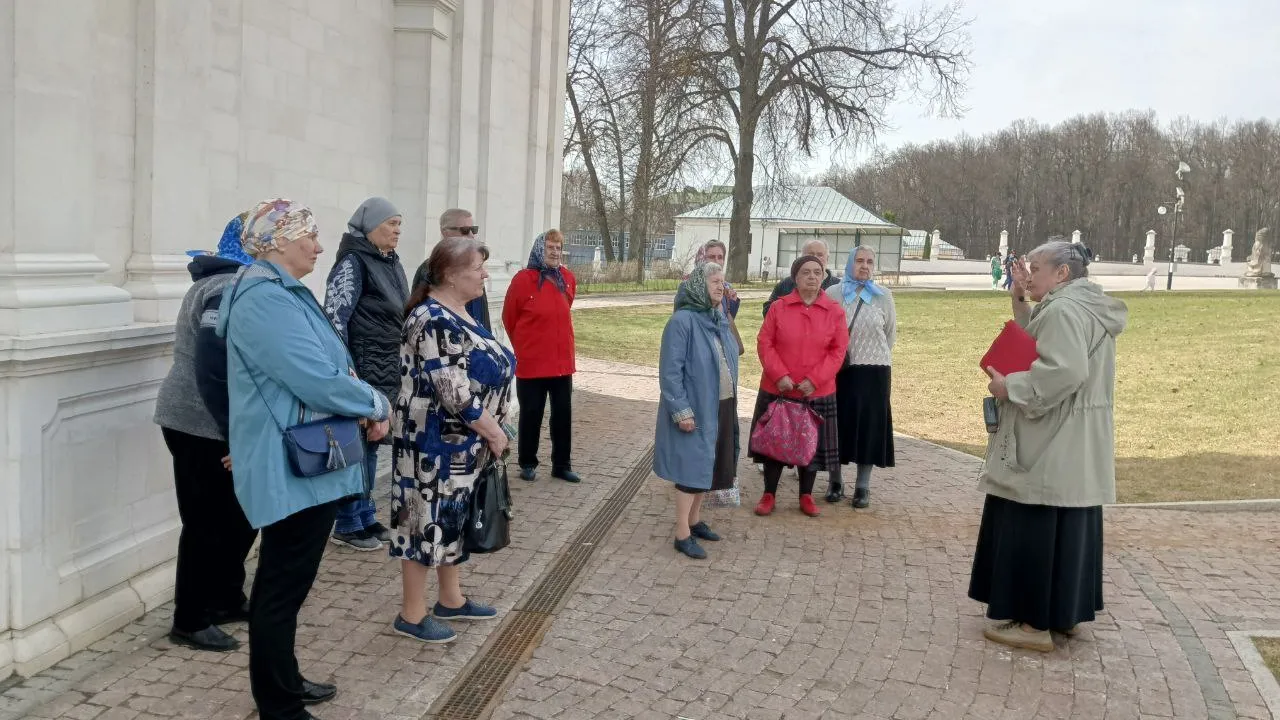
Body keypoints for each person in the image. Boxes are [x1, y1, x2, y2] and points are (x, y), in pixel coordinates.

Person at [218, 198, 391, 720]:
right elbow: (313, 378)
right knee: (279, 587)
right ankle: (278, 705)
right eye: (308, 237)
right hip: (288, 464)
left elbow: (330, 363)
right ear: (276, 242)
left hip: (306, 460)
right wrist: (374, 403)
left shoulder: (284, 293)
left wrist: (355, 392)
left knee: (288, 587)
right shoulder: (264, 299)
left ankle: (285, 680)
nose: (319, 247)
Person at [970, 241, 1127, 653]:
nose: (1028, 273)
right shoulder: (1082, 305)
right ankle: (1062, 613)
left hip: (1051, 437)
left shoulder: (1063, 309)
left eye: (1036, 268)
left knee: (1034, 523)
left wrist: (1011, 386)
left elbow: (1065, 369)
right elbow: (1045, 338)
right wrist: (1021, 299)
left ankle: (1033, 623)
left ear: (1062, 274)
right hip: (1075, 438)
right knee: (1069, 525)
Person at [390, 236, 511, 642]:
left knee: (451, 519)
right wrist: (495, 432)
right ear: (449, 273)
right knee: (422, 522)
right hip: (433, 444)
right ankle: (411, 613)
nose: (484, 275)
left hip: (463, 444)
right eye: (478, 268)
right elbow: (454, 391)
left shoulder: (462, 311)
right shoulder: (432, 319)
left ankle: (451, 600)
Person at [154, 213, 258, 652]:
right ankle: (190, 619)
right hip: (199, 422)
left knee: (239, 516)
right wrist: (237, 431)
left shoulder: (235, 282)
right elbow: (218, 366)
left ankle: (225, 597)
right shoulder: (224, 286)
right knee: (204, 522)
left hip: (220, 421)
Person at [323, 197, 408, 551]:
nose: (397, 231)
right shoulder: (354, 262)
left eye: (400, 225)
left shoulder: (390, 262)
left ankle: (365, 514)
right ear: (370, 226)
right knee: (355, 444)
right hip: (362, 367)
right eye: (391, 224)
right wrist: (347, 371)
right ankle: (346, 521)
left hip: (386, 366)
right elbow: (334, 316)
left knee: (373, 443)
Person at [750, 255, 849, 517]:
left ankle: (806, 495)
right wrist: (779, 374)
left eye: (818, 272)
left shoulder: (835, 311)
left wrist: (815, 380)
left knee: (811, 446)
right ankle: (768, 493)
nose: (813, 277)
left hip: (817, 391)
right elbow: (764, 343)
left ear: (824, 277)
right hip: (778, 388)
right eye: (806, 272)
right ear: (795, 277)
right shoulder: (778, 308)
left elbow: (838, 352)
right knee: (774, 443)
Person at [655, 262, 738, 559]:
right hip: (696, 408)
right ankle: (681, 533)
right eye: (714, 281)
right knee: (691, 469)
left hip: (721, 404)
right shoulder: (683, 321)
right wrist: (681, 411)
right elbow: (670, 372)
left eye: (722, 281)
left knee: (708, 466)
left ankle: (695, 520)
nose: (720, 286)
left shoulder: (717, 318)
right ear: (697, 286)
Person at [502, 230, 581, 483]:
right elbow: (509, 317)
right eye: (550, 247)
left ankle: (561, 464)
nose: (555, 252)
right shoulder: (523, 280)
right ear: (539, 249)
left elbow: (564, 308)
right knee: (531, 413)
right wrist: (524, 346)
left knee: (562, 415)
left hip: (561, 363)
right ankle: (527, 461)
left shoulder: (567, 278)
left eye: (558, 247)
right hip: (532, 363)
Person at [826, 246, 897, 508]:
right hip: (840, 370)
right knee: (837, 424)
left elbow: (890, 334)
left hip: (874, 370)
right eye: (859, 261)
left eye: (869, 261)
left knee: (869, 426)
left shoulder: (883, 296)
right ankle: (835, 481)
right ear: (848, 263)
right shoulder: (833, 293)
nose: (864, 266)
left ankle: (862, 486)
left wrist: (872, 355)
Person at [439, 208, 491, 330]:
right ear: (445, 232)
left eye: (474, 230)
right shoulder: (431, 269)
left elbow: (483, 316)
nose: (471, 235)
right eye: (465, 230)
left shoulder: (475, 267)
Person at [762, 239, 839, 317]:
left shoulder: (838, 286)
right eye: (811, 254)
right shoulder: (786, 284)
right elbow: (768, 311)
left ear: (827, 258)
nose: (815, 258)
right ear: (801, 257)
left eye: (820, 255)